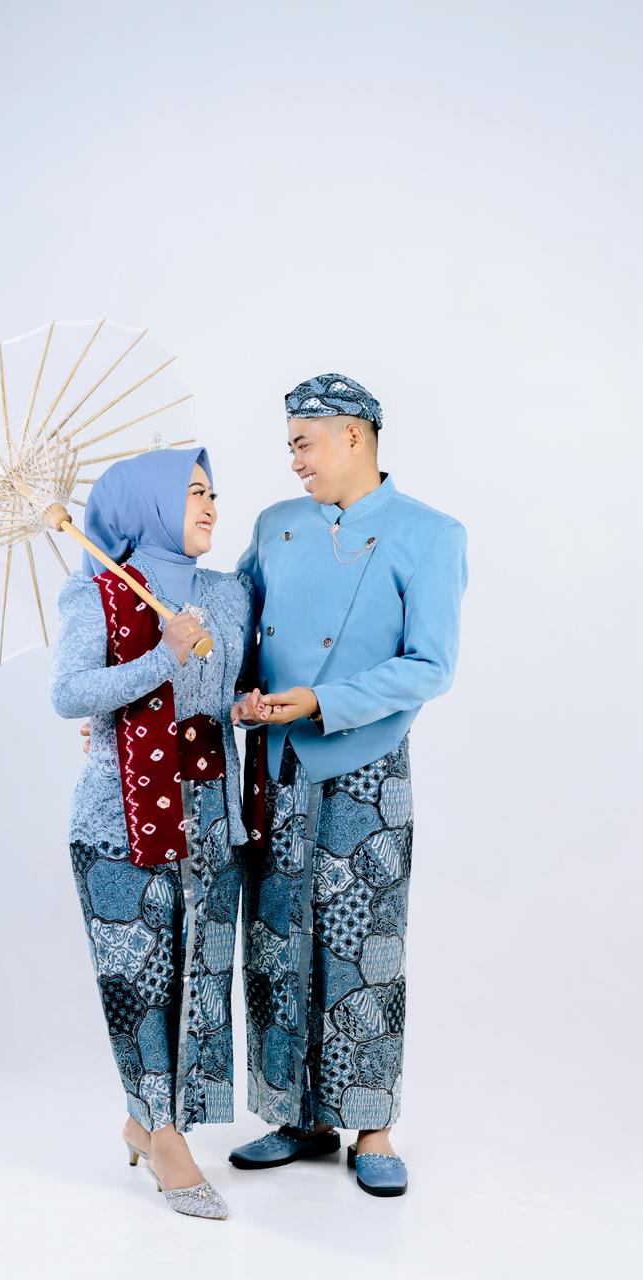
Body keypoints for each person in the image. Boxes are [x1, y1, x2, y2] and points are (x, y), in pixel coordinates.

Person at [227, 373, 468, 1197]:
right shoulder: (276, 524)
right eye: (290, 446)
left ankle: (372, 1126)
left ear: (353, 436)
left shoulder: (430, 534)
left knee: (365, 944)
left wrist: (325, 700)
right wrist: (231, 689)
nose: (293, 461)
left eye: (303, 443)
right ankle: (295, 1115)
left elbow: (430, 665)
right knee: (275, 935)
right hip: (273, 760)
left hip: (367, 765)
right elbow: (239, 626)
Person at [50, 446, 255, 1220]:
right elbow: (71, 694)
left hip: (212, 811)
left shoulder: (229, 594)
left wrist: (245, 706)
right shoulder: (97, 592)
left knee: (196, 976)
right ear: (150, 505)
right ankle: (164, 1139)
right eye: (194, 492)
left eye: (213, 493)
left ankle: (148, 1120)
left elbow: (231, 690)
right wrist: (158, 660)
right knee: (138, 982)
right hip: (118, 818)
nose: (210, 506)